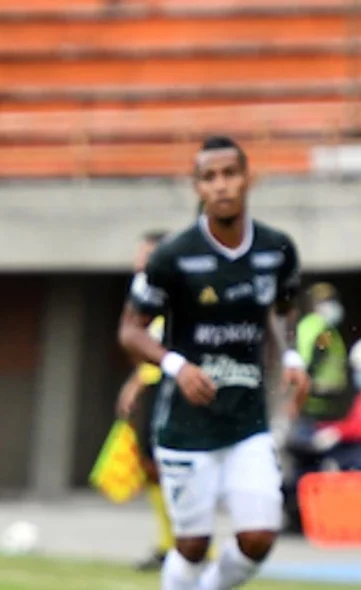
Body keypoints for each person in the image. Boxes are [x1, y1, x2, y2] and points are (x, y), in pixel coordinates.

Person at [119, 135, 310, 590]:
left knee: (260, 536)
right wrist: (177, 367)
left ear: (249, 178)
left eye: (231, 174)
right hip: (187, 426)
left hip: (247, 422)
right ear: (197, 187)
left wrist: (291, 353)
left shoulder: (277, 249)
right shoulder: (174, 255)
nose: (222, 185)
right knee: (191, 545)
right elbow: (130, 329)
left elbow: (283, 308)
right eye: (210, 177)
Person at [114, 230, 174, 571]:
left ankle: (187, 545)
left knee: (170, 468)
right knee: (153, 469)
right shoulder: (143, 293)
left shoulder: (170, 295)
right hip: (152, 386)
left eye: (146, 254)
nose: (138, 260)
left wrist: (137, 384)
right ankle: (168, 544)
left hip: (166, 388)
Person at [282, 282, 354, 532]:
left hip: (319, 410)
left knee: (306, 466)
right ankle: (298, 519)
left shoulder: (309, 327)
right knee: (308, 467)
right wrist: (295, 404)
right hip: (315, 411)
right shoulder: (321, 331)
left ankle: (300, 519)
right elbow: (308, 371)